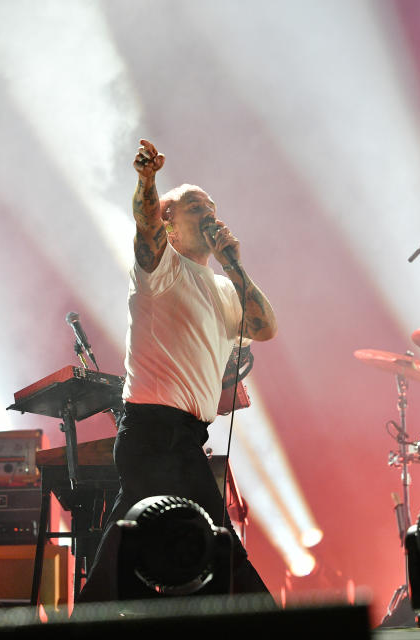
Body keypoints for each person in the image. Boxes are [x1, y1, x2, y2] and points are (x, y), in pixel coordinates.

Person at [77, 138, 278, 601]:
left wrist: (235, 262)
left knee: (131, 546)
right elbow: (144, 225)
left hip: (185, 436)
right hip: (153, 431)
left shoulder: (226, 290)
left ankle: (89, 619)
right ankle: (266, 618)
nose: (209, 215)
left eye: (212, 208)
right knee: (217, 544)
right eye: (194, 208)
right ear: (171, 222)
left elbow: (264, 327)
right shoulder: (162, 269)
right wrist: (147, 182)